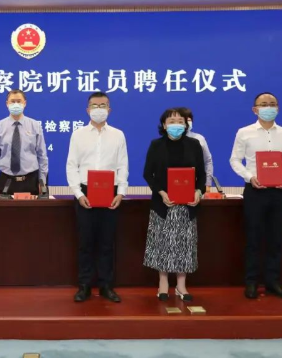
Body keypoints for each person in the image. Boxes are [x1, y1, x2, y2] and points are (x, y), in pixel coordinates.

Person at [230, 92, 282, 300]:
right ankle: (251, 282)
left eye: (272, 104)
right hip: (255, 191)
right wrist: (249, 177)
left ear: (278, 108)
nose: (269, 107)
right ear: (255, 109)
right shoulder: (244, 132)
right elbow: (235, 160)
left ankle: (273, 282)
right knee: (253, 238)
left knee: (276, 238)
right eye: (264, 104)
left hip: (279, 192)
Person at [66, 92, 128, 303]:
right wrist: (78, 193)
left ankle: (106, 286)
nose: (99, 109)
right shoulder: (78, 134)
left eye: (103, 105)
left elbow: (123, 165)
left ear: (109, 109)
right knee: (85, 242)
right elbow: (72, 165)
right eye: (95, 105)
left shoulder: (118, 135)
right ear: (87, 110)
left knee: (107, 243)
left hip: (110, 193)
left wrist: (120, 192)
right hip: (85, 192)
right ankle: (84, 286)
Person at [143, 108, 205, 302]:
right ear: (164, 125)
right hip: (163, 204)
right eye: (171, 121)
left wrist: (198, 192)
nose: (176, 124)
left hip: (187, 205)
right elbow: (148, 174)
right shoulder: (156, 145)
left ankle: (181, 285)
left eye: (180, 121)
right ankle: (162, 283)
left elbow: (202, 175)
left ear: (186, 125)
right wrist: (161, 193)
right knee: (162, 244)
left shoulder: (194, 144)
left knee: (184, 245)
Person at [0, 89, 48, 196]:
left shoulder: (35, 126)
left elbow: (42, 155)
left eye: (19, 101)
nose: (16, 104)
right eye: (12, 101)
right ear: (7, 104)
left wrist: (42, 181)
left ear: (25, 103)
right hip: (6, 180)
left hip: (30, 180)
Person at [177, 107, 214, 192]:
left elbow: (208, 161)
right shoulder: (169, 139)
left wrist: (207, 183)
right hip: (173, 182)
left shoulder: (199, 139)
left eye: (189, 120)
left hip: (195, 184)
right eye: (184, 120)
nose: (187, 122)